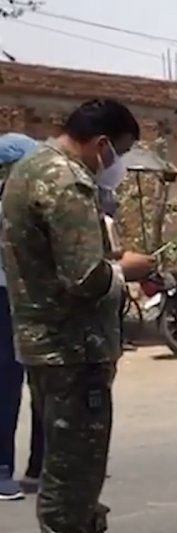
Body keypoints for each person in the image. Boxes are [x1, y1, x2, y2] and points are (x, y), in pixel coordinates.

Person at [1, 98, 156, 533]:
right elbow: (85, 278)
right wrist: (127, 269)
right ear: (102, 143)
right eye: (122, 153)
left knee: (85, 457)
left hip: (58, 341)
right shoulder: (66, 182)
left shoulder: (33, 169)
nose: (118, 164)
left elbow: (64, 257)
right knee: (71, 462)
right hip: (69, 345)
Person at [0, 132, 43, 501]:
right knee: (6, 384)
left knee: (45, 384)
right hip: (4, 297)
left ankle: (39, 466)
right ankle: (1, 468)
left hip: (35, 298)